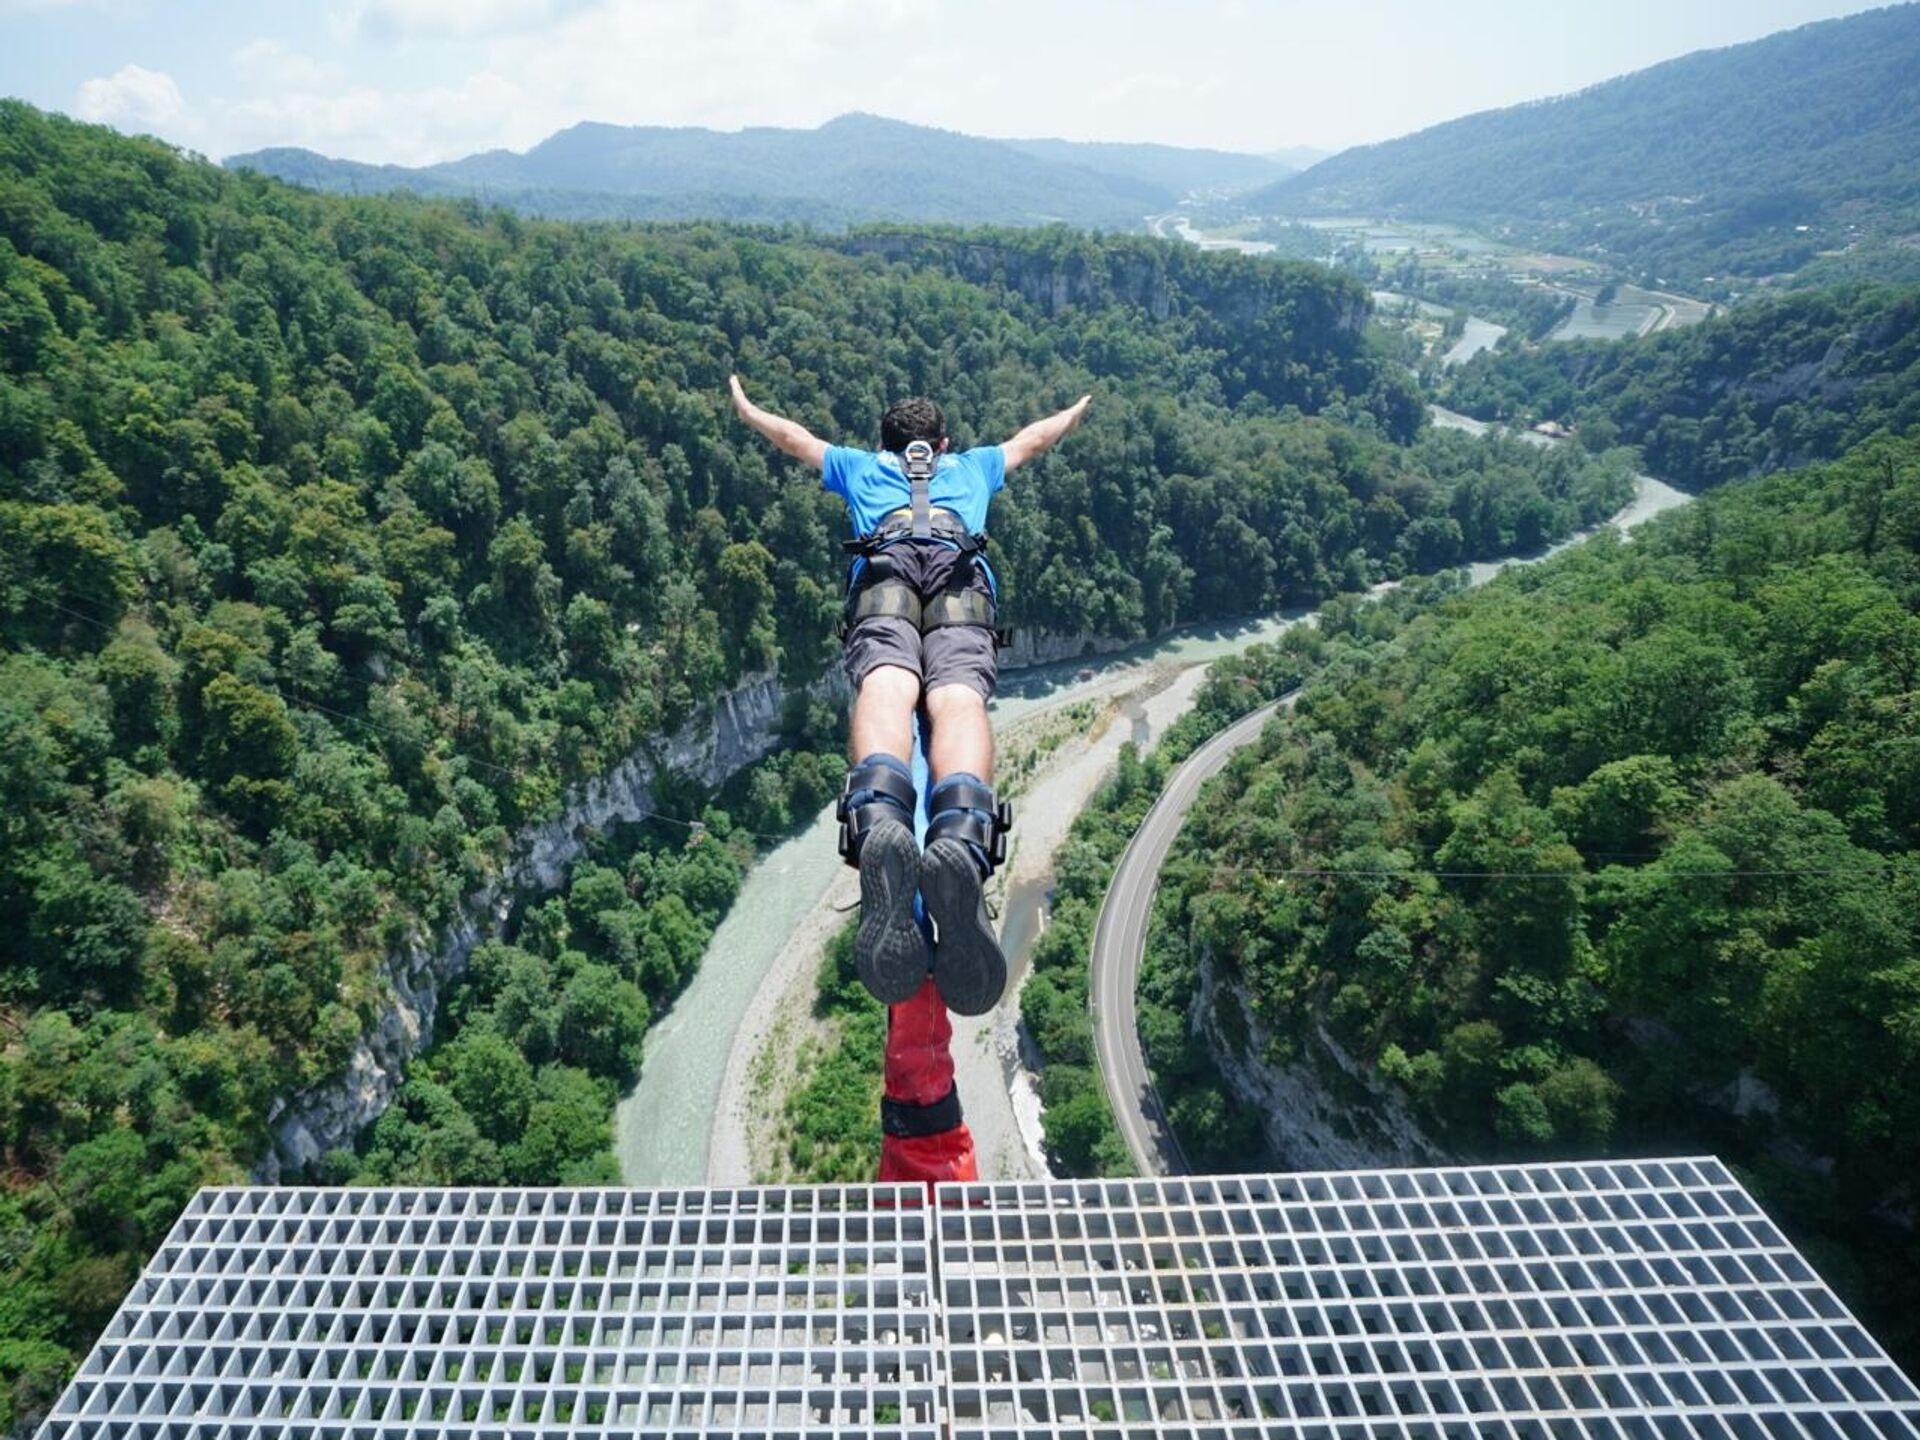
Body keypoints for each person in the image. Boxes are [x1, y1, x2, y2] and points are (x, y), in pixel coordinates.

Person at [728, 376, 1089, 1184]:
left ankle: (882, 810)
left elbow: (794, 438)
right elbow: (1036, 437)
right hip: (960, 588)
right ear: (944, 446)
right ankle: (959, 835)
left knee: (885, 687)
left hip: (884, 584)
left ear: (886, 445)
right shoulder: (974, 469)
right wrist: (1072, 412)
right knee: (957, 696)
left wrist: (749, 410)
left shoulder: (859, 468)